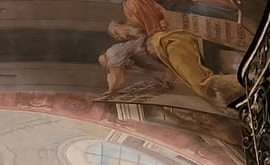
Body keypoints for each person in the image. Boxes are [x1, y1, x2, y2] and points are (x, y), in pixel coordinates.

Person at [99, 20, 242, 107]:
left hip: (169, 46)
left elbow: (116, 77)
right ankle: (240, 84)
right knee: (205, 83)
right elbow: (168, 66)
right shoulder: (133, 52)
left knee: (201, 84)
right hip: (171, 44)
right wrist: (167, 81)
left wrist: (110, 92)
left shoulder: (113, 53)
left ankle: (245, 82)